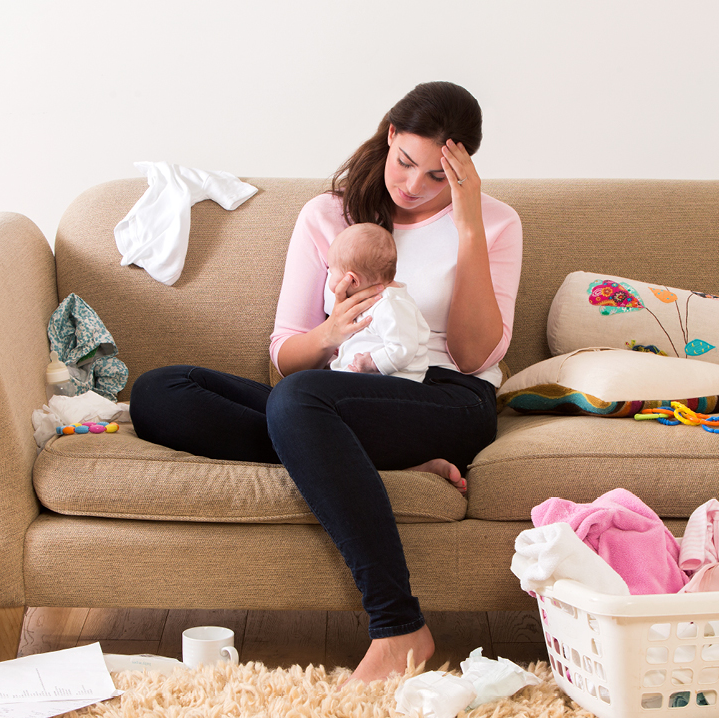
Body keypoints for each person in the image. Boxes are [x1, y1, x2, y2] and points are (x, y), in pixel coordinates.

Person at [129, 81, 523, 682]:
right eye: (405, 162)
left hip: (447, 399)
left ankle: (399, 627)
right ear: (390, 136)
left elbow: (474, 357)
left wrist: (467, 224)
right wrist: (332, 332)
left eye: (437, 177)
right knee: (160, 392)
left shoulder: (496, 223)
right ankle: (363, 455)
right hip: (338, 393)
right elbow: (287, 355)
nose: (413, 186)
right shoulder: (327, 216)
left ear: (464, 170)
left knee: (299, 404)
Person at [326, 222, 432, 387]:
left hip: (393, 383)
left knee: (299, 388)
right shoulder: (373, 302)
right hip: (366, 380)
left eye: (331, 271)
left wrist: (371, 362)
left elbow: (403, 347)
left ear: (352, 280)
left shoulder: (391, 305)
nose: (330, 278)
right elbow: (373, 336)